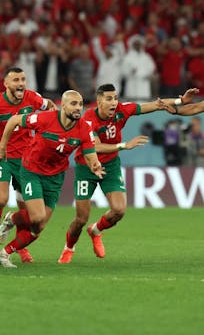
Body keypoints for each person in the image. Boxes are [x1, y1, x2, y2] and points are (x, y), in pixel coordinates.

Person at [58, 85, 198, 263]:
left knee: (119, 210)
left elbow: (154, 105)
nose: (114, 102)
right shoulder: (88, 119)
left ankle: (95, 230)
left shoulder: (121, 110)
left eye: (115, 98)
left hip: (110, 165)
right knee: (81, 218)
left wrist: (180, 101)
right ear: (99, 101)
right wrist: (124, 145)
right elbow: (95, 146)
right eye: (109, 99)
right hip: (87, 166)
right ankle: (69, 248)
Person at [0, 90, 105, 269]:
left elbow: (90, 154)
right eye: (74, 104)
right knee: (37, 217)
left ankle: (4, 251)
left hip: (55, 177)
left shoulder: (84, 128)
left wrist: (95, 165)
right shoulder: (44, 119)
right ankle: (12, 222)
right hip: (32, 171)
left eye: (81, 104)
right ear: (63, 105)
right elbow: (14, 120)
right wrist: (2, 147)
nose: (78, 108)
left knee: (39, 227)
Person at [0, 67, 56, 263]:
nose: (20, 83)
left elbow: (50, 107)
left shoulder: (32, 98)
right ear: (6, 84)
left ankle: (20, 248)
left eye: (23, 79)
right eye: (16, 80)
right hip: (1, 157)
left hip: (26, 159)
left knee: (25, 205)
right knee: (0, 200)